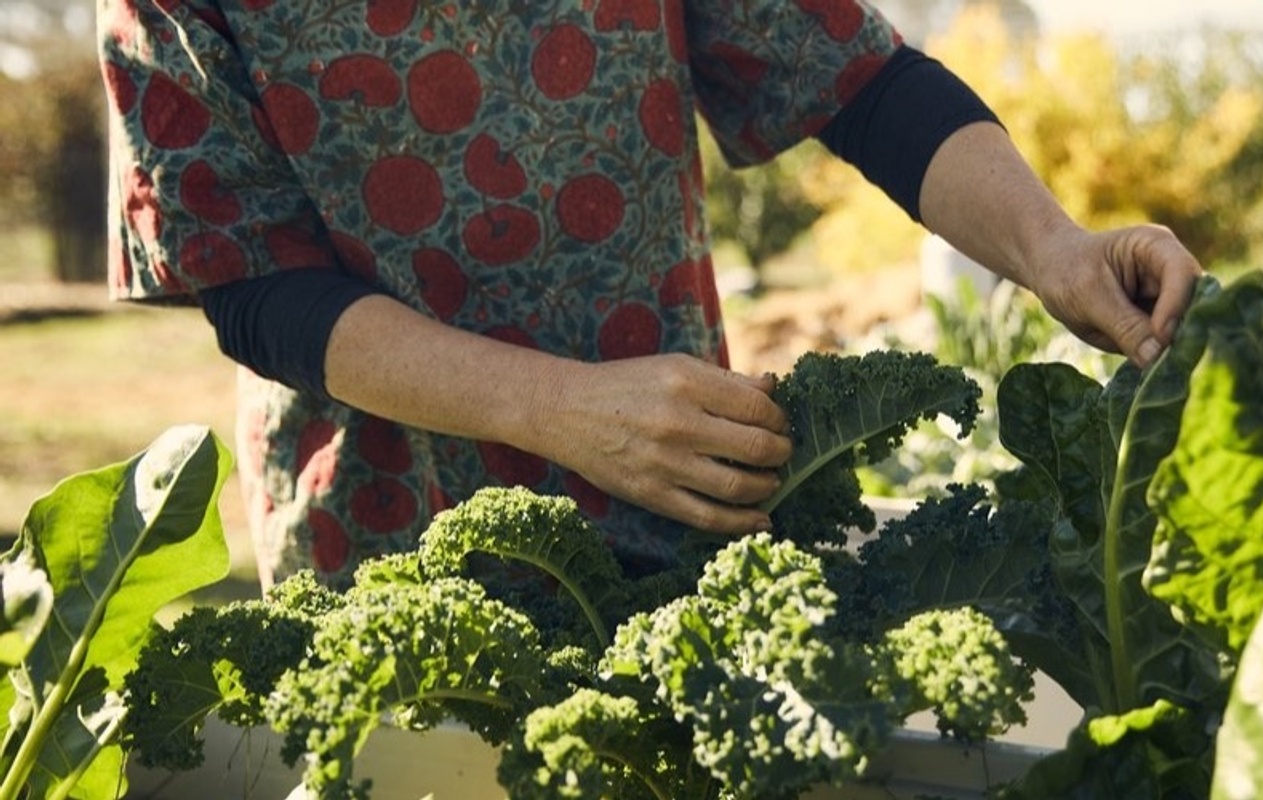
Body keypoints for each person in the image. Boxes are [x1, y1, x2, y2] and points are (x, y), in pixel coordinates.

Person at [98, 0, 1203, 592]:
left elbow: (860, 85)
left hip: (673, 500)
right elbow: (250, 282)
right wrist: (562, 410)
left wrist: (1056, 250)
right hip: (388, 536)